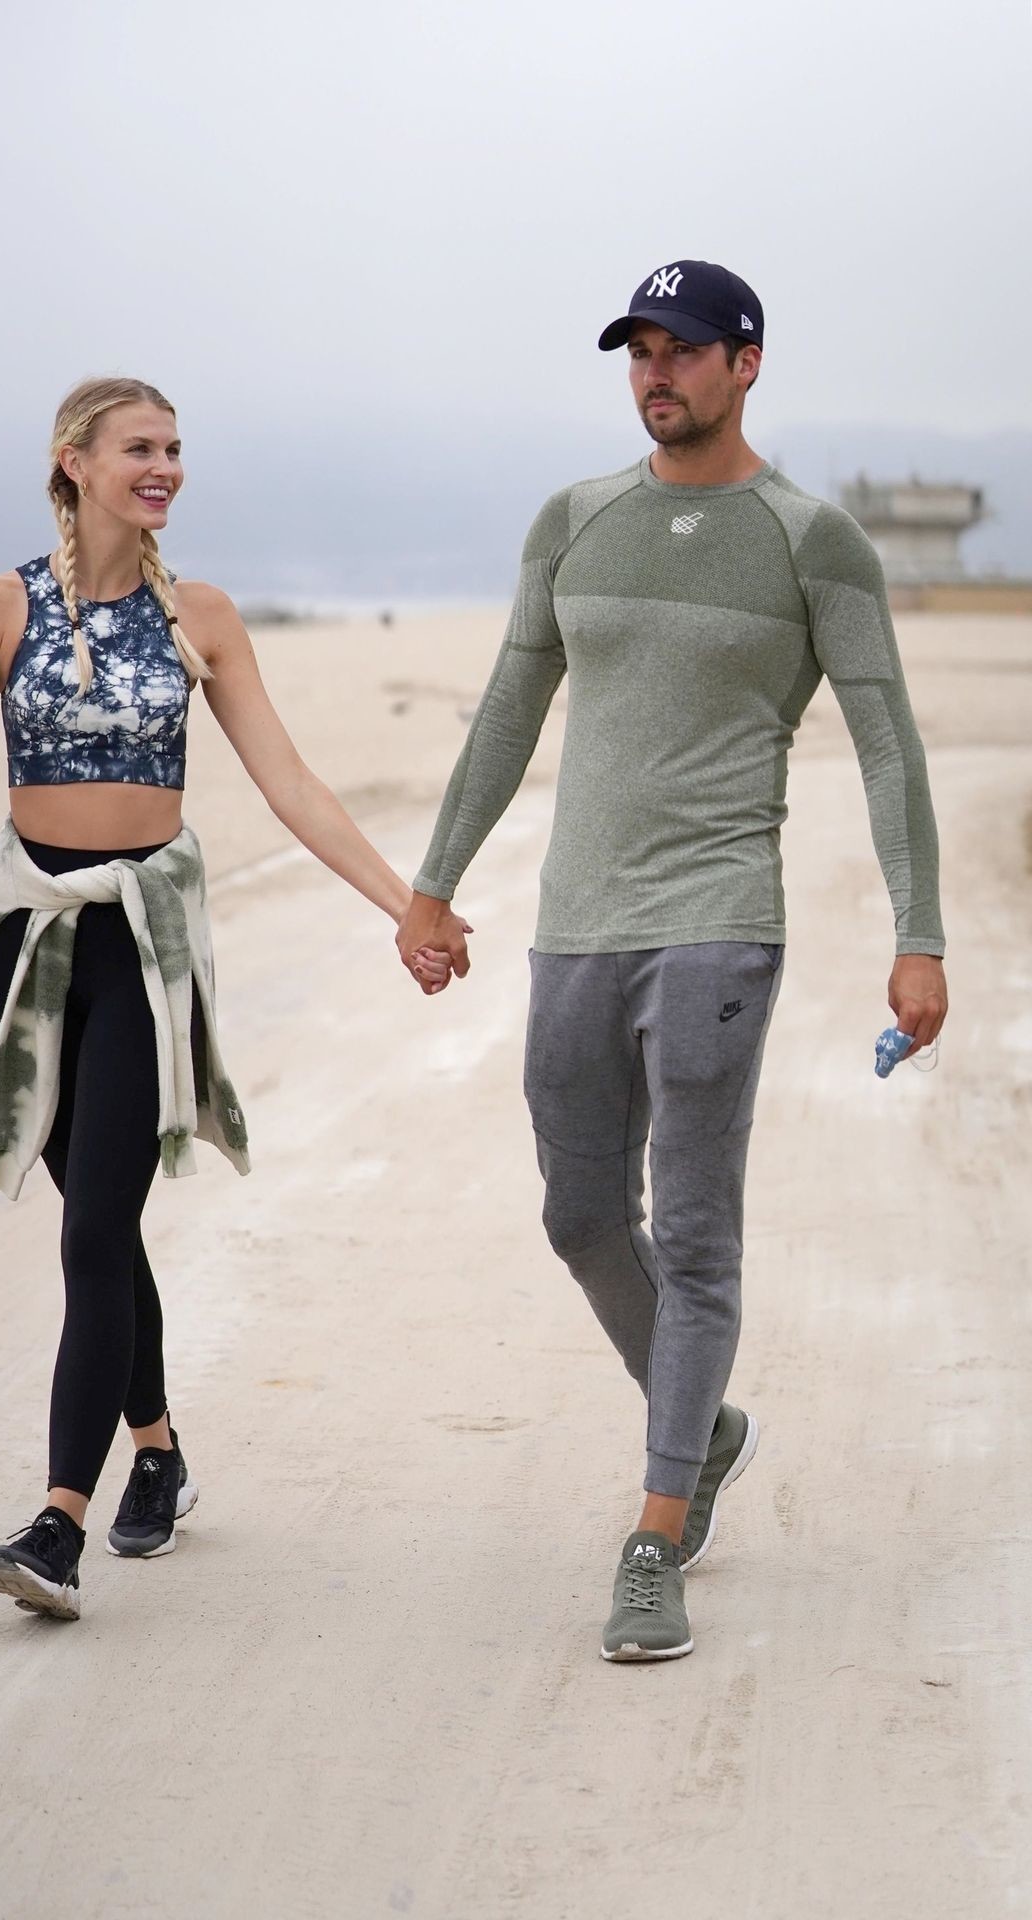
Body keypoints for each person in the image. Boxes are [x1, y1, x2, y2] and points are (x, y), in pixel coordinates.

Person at [394, 260, 948, 1662]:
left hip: (719, 919)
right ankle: (704, 1429)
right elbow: (507, 710)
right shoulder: (573, 522)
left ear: (744, 364)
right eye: (639, 349)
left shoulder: (812, 541)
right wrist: (433, 886)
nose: (656, 370)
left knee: (694, 1235)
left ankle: (653, 1539)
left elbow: (885, 744)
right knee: (580, 1216)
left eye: (683, 348)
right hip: (575, 923)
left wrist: (917, 935)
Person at [0, 375, 467, 1621]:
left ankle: (58, 1524)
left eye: (172, 449)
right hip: (30, 940)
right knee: (102, 1226)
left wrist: (405, 905)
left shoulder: (198, 616)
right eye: (139, 448)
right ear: (74, 462)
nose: (164, 468)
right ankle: (156, 1445)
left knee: (93, 1233)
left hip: (141, 947)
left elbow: (291, 783)